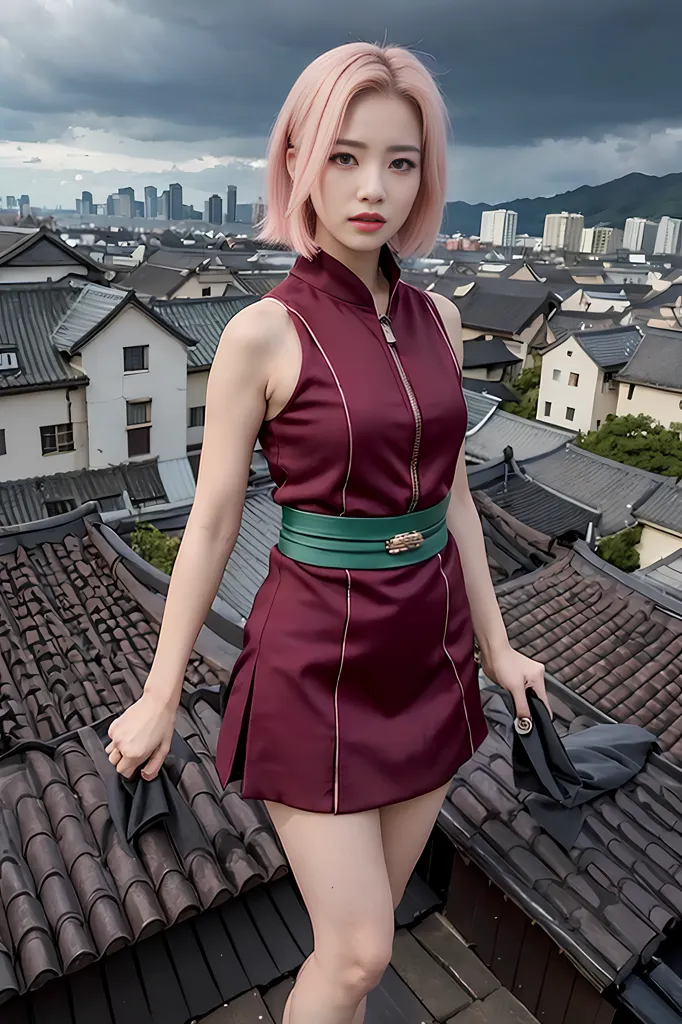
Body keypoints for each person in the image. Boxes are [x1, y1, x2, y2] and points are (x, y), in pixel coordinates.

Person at [105, 41, 549, 1024]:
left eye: (400, 161)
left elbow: (457, 500)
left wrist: (500, 648)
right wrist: (158, 693)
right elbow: (214, 519)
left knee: (361, 937)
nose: (373, 187)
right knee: (357, 954)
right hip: (317, 659)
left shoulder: (438, 315)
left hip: (428, 655)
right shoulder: (262, 332)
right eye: (344, 156)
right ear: (299, 157)